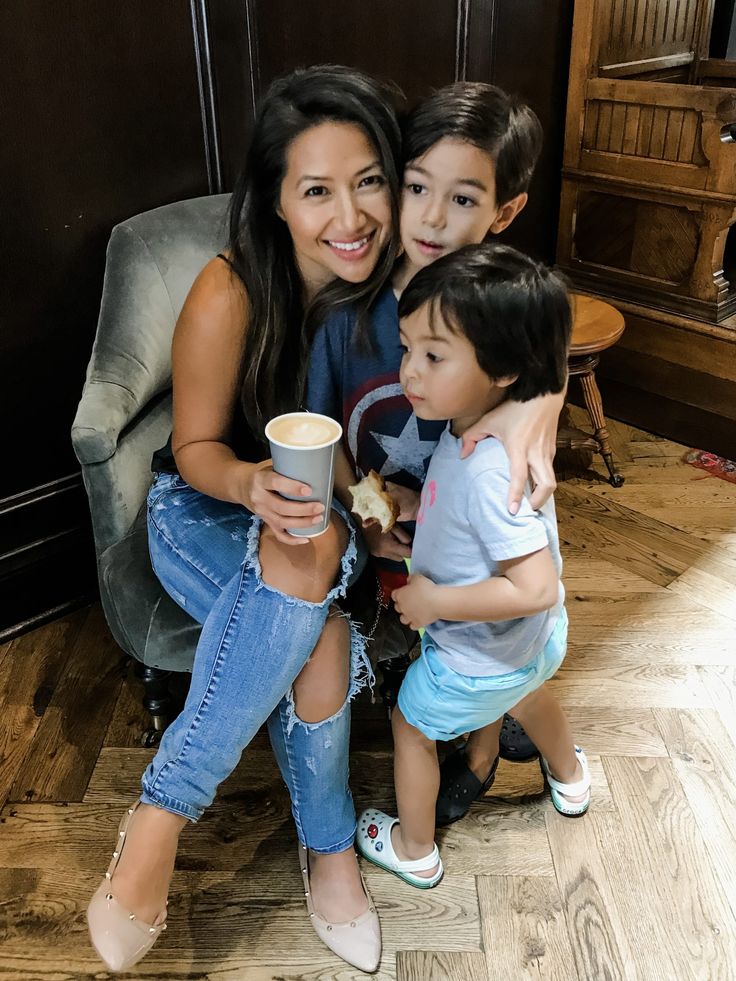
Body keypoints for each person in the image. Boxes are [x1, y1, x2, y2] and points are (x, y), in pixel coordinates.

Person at [86, 65, 405, 975]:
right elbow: (192, 449)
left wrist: (384, 509)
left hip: (324, 530)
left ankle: (157, 825)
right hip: (204, 508)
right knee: (319, 619)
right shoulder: (230, 291)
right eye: (317, 191)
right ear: (274, 200)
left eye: (370, 180)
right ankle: (323, 851)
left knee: (315, 588)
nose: (351, 216)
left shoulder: (389, 296)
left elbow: (498, 349)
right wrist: (252, 484)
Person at [307, 82, 558, 824]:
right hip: (390, 524)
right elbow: (320, 428)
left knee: (484, 630)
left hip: (480, 523)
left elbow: (551, 354)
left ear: (504, 212)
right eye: (417, 187)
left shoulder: (502, 307)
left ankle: (482, 753)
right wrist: (369, 510)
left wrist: (539, 410)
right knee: (419, 634)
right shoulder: (346, 310)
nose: (433, 219)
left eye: (463, 199)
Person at [355, 244, 591, 889]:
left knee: (409, 725)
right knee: (532, 694)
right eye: (407, 349)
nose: (410, 372)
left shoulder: (491, 468)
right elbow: (477, 535)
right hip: (530, 649)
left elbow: (534, 585)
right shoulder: (471, 428)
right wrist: (415, 511)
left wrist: (435, 604)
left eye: (434, 356)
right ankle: (570, 778)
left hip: (476, 658)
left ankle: (414, 848)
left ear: (506, 369)